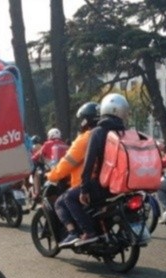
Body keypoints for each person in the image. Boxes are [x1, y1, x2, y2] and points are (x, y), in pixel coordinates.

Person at [64, 93, 130, 247]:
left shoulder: (98, 132)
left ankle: (88, 232)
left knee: (68, 197)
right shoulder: (125, 133)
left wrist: (84, 189)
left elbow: (89, 163)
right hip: (122, 185)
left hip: (103, 186)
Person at [48, 102, 99, 246]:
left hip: (87, 182)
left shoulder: (85, 138)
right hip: (105, 182)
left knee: (62, 201)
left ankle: (76, 233)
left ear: (85, 120)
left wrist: (51, 175)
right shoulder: (106, 134)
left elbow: (67, 163)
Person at [31, 128, 68, 200]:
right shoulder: (64, 145)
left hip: (50, 168)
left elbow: (37, 155)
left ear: (50, 135)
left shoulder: (47, 144)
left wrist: (32, 159)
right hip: (63, 169)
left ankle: (37, 193)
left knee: (36, 174)